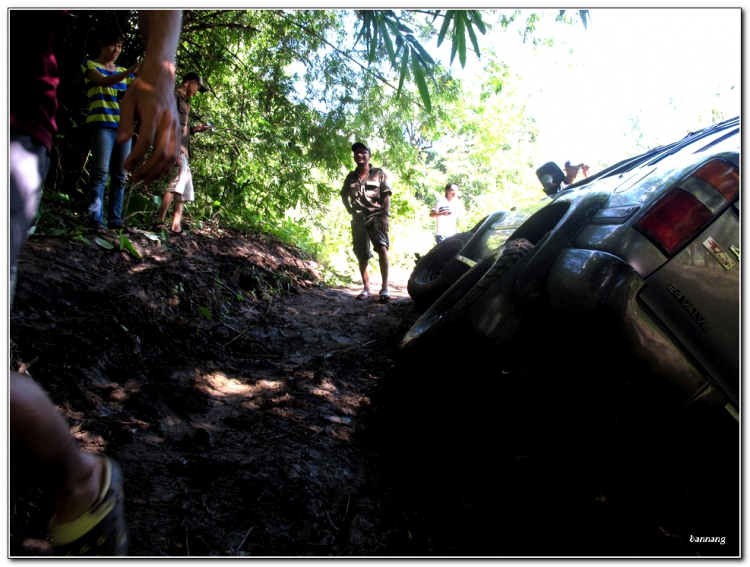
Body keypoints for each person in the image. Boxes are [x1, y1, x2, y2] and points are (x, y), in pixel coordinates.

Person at [10, 10, 183, 556]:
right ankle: (81, 484)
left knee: (111, 178)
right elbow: (97, 76)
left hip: (13, 117)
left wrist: (157, 69)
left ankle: (80, 481)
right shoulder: (94, 66)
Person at [81, 28, 141, 235]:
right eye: (112, 45)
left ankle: (115, 221)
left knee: (120, 176)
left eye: (120, 47)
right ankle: (96, 220)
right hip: (101, 125)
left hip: (123, 129)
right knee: (100, 173)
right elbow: (104, 81)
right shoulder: (90, 65)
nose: (116, 50)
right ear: (101, 44)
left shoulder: (126, 73)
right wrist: (130, 71)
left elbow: (140, 93)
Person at [152, 72, 211, 236]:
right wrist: (175, 150)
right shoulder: (174, 97)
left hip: (183, 150)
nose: (197, 91)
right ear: (191, 82)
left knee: (184, 189)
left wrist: (194, 130)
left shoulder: (185, 102)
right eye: (197, 87)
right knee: (175, 185)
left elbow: (182, 128)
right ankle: (160, 221)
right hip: (175, 148)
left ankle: (175, 226)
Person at [340, 142, 392, 304]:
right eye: (356, 153)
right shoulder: (351, 176)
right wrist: (349, 209)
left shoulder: (379, 173)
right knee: (362, 254)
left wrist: (386, 215)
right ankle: (366, 288)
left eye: (363, 152)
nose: (359, 155)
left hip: (376, 216)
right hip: (358, 220)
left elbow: (386, 196)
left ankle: (384, 288)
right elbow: (344, 195)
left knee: (382, 248)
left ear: (370, 155)